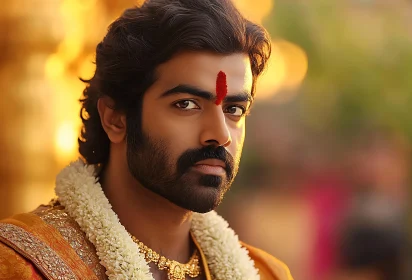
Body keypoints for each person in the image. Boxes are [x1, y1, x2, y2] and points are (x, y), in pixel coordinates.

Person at [0, 0, 293, 279]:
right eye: (186, 104)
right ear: (115, 118)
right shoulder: (20, 266)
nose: (220, 134)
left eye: (234, 110)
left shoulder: (267, 274)